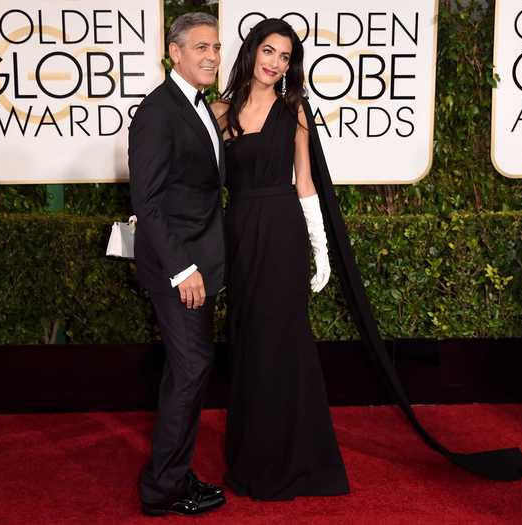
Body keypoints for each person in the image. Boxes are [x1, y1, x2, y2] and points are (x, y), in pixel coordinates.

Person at [210, 18, 350, 500]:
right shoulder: (218, 112)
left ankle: (296, 459)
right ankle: (252, 458)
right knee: (248, 343)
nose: (275, 63)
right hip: (241, 236)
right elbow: (205, 186)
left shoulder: (295, 109)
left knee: (284, 345)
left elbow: (305, 182)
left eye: (285, 57)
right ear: (252, 52)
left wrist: (320, 248)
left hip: (284, 234)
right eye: (269, 51)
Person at [128, 12, 227, 515]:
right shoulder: (158, 111)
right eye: (201, 47)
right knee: (191, 369)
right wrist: (182, 269)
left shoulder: (197, 106)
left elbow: (196, 185)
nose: (212, 55)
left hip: (198, 261)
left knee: (188, 369)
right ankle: (162, 488)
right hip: (179, 267)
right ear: (175, 52)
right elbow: (146, 201)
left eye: (215, 47)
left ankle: (173, 473)